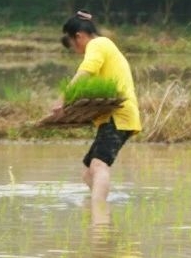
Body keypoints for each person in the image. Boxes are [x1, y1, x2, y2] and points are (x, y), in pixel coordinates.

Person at [41, 12, 141, 214]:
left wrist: (62, 99)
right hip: (110, 118)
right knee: (88, 173)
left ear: (79, 36)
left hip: (118, 115)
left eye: (73, 45)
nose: (77, 52)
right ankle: (101, 208)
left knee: (98, 165)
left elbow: (85, 72)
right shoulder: (105, 46)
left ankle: (100, 219)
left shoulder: (98, 44)